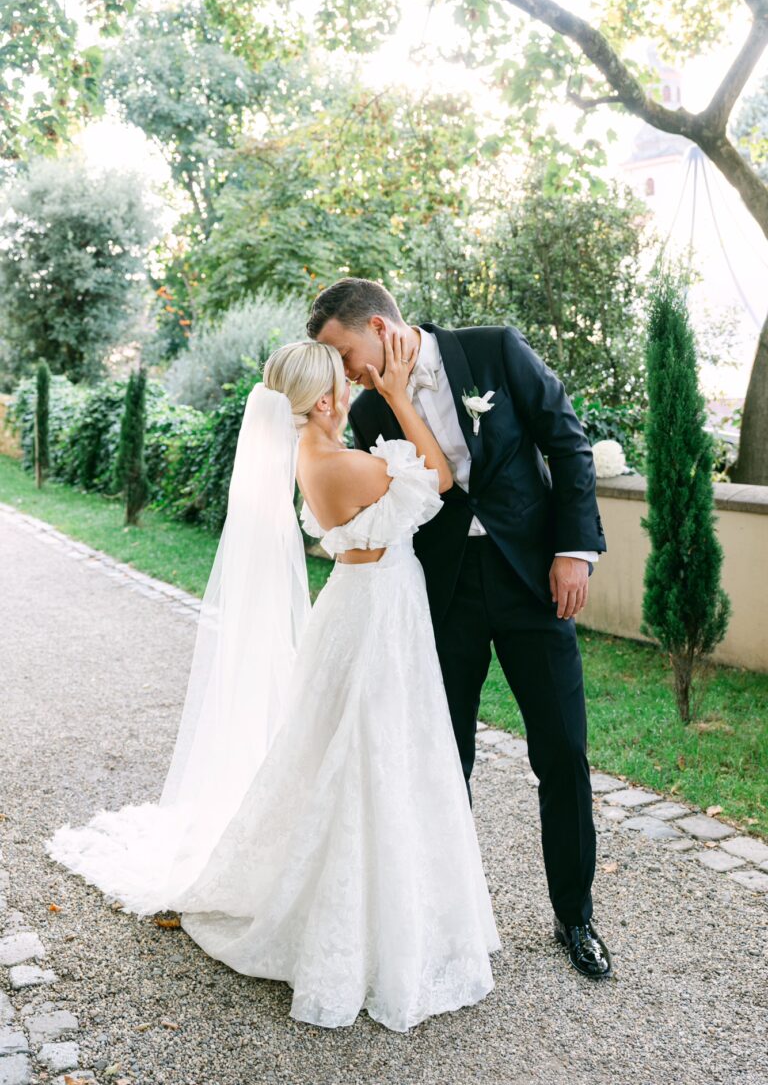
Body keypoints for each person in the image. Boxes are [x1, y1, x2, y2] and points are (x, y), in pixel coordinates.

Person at [46, 337, 500, 1031]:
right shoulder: (351, 464)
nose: (353, 391)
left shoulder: (306, 459)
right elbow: (437, 475)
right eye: (344, 387)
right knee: (371, 756)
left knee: (335, 753)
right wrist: (404, 397)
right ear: (325, 401)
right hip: (378, 618)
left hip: (354, 610)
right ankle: (369, 921)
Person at [308, 277, 613, 981]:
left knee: (562, 749)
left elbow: (567, 442)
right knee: (445, 758)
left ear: (382, 328)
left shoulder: (496, 351)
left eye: (347, 353)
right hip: (441, 597)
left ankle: (576, 915)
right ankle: (445, 921)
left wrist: (575, 550)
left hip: (534, 581)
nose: (345, 372)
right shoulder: (365, 416)